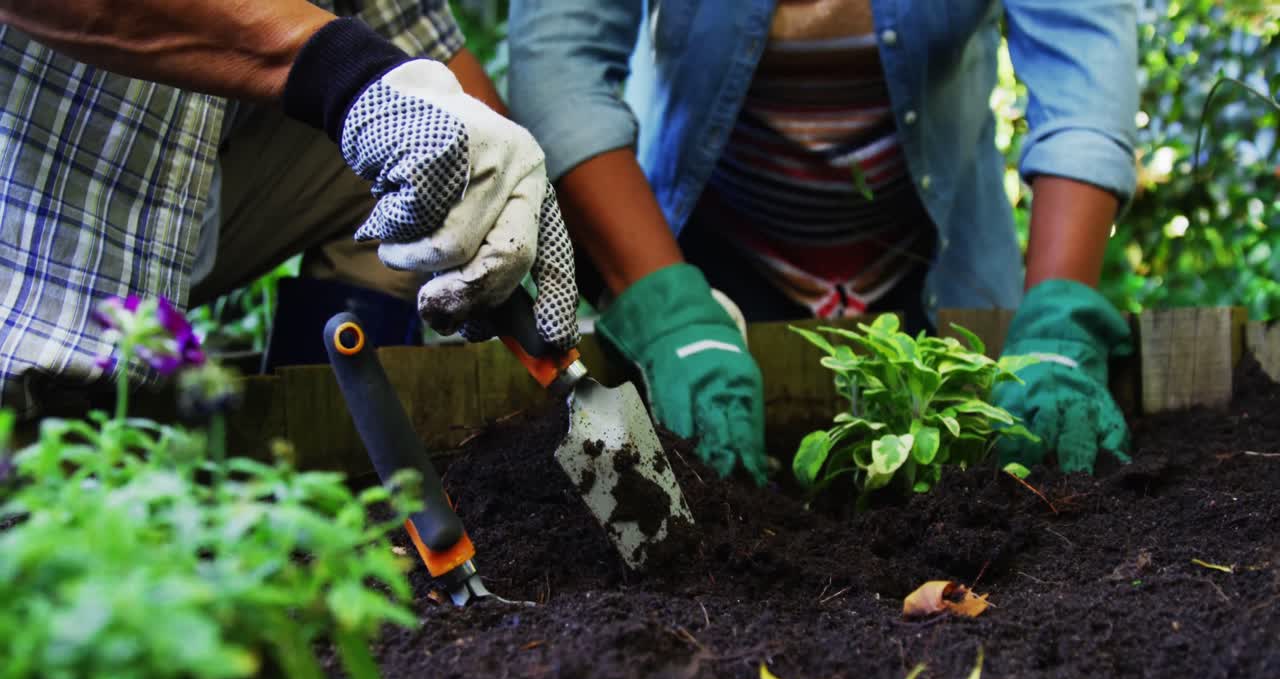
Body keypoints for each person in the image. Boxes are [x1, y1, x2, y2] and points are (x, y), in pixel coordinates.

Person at [507, 0, 1139, 481]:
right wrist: (668, 313)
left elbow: (1081, 61)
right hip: (698, 265)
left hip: (939, 261)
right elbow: (561, 73)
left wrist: (1059, 316)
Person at [0, 0, 578, 417]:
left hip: (182, 199)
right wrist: (336, 70)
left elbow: (416, 42)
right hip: (31, 209)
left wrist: (504, 181)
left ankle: (319, 450)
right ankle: (54, 413)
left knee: (439, 166)